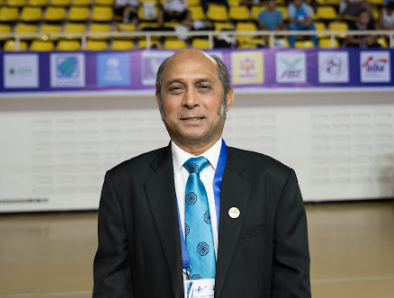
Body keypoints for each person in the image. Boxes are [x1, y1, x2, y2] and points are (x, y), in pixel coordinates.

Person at [93, 49, 311, 298]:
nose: (190, 101)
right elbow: (112, 282)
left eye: (204, 87)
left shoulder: (275, 182)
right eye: (176, 89)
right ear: (159, 100)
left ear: (227, 99)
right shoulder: (123, 185)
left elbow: (292, 281)